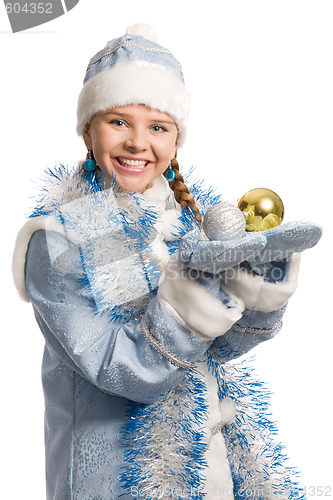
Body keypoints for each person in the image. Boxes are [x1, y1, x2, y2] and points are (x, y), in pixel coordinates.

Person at [12, 23, 322, 500]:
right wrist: (189, 298)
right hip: (116, 482)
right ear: (87, 131)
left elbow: (215, 349)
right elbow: (125, 369)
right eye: (118, 122)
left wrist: (256, 290)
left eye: (157, 127)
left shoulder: (187, 223)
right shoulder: (61, 239)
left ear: (176, 142)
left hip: (206, 470)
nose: (138, 143)